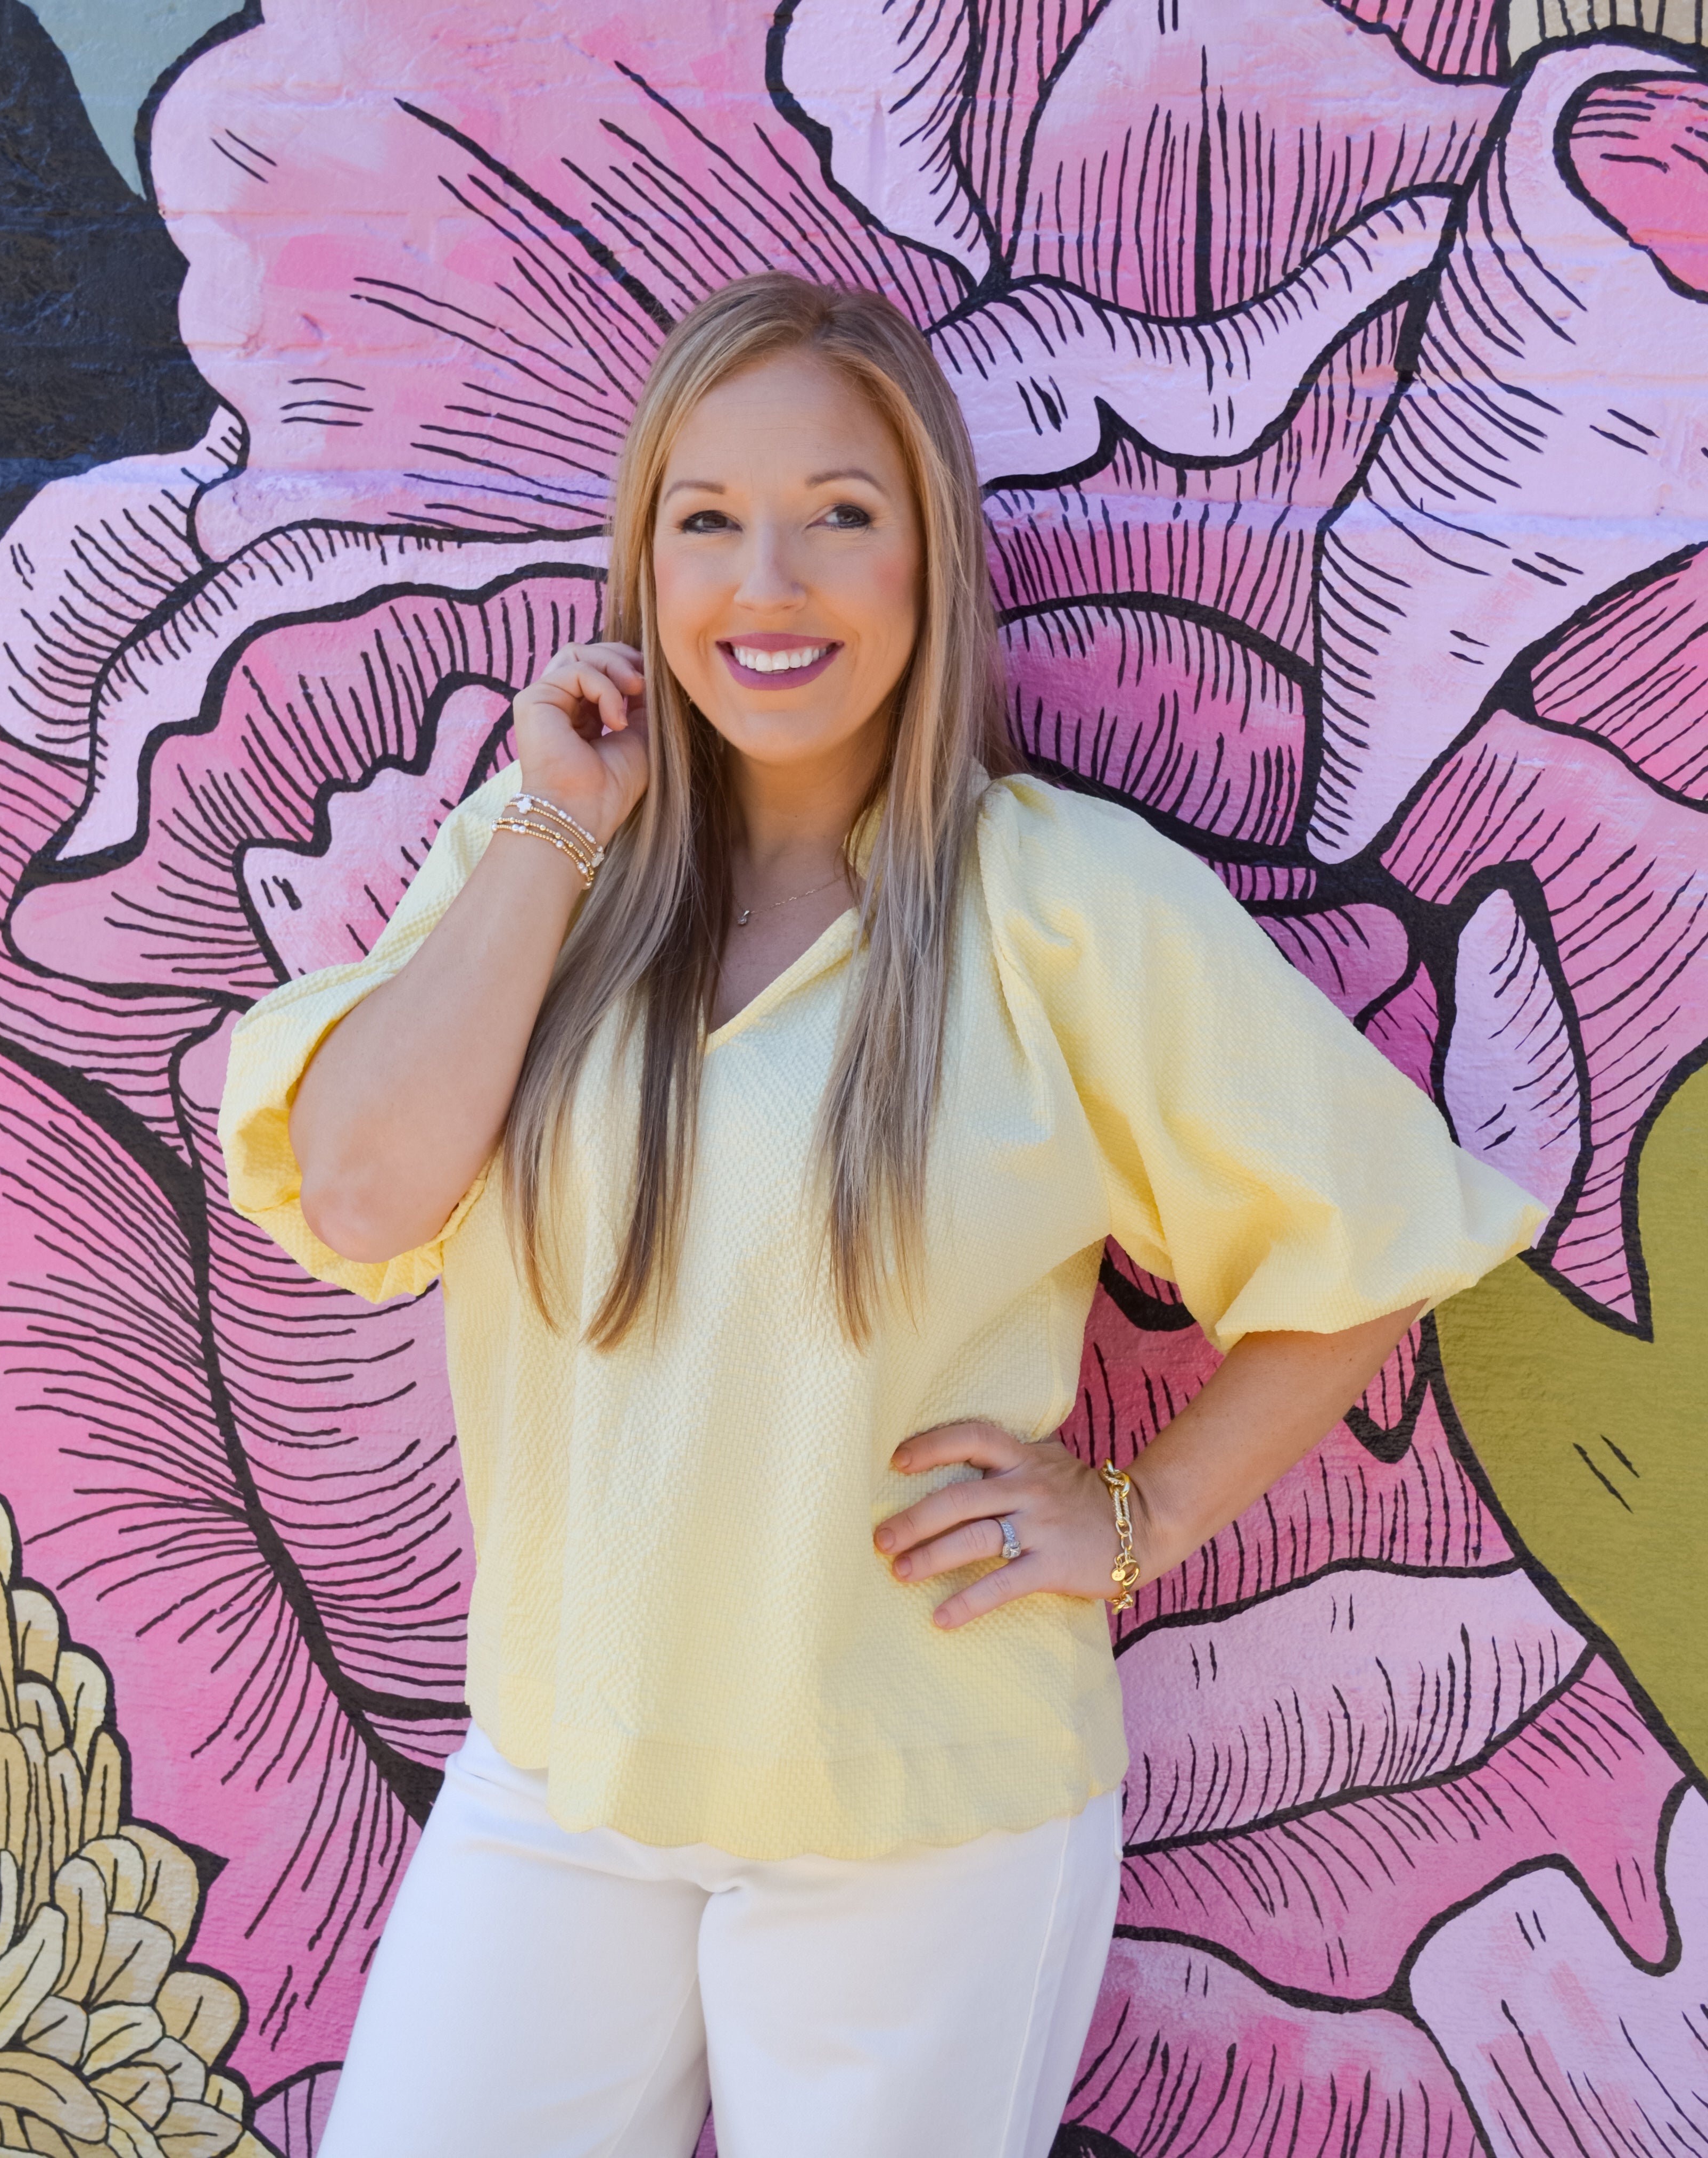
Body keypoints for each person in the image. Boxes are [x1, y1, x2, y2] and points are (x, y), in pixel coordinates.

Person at [219, 272, 1542, 2158]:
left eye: (840, 514)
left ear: (930, 557)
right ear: (644, 563)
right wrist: (555, 825)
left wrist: (1140, 1514)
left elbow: (1373, 1238)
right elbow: (362, 1189)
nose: (768, 582)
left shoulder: (1063, 906)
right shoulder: (542, 863)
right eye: (706, 520)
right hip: (561, 1777)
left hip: (920, 1821)